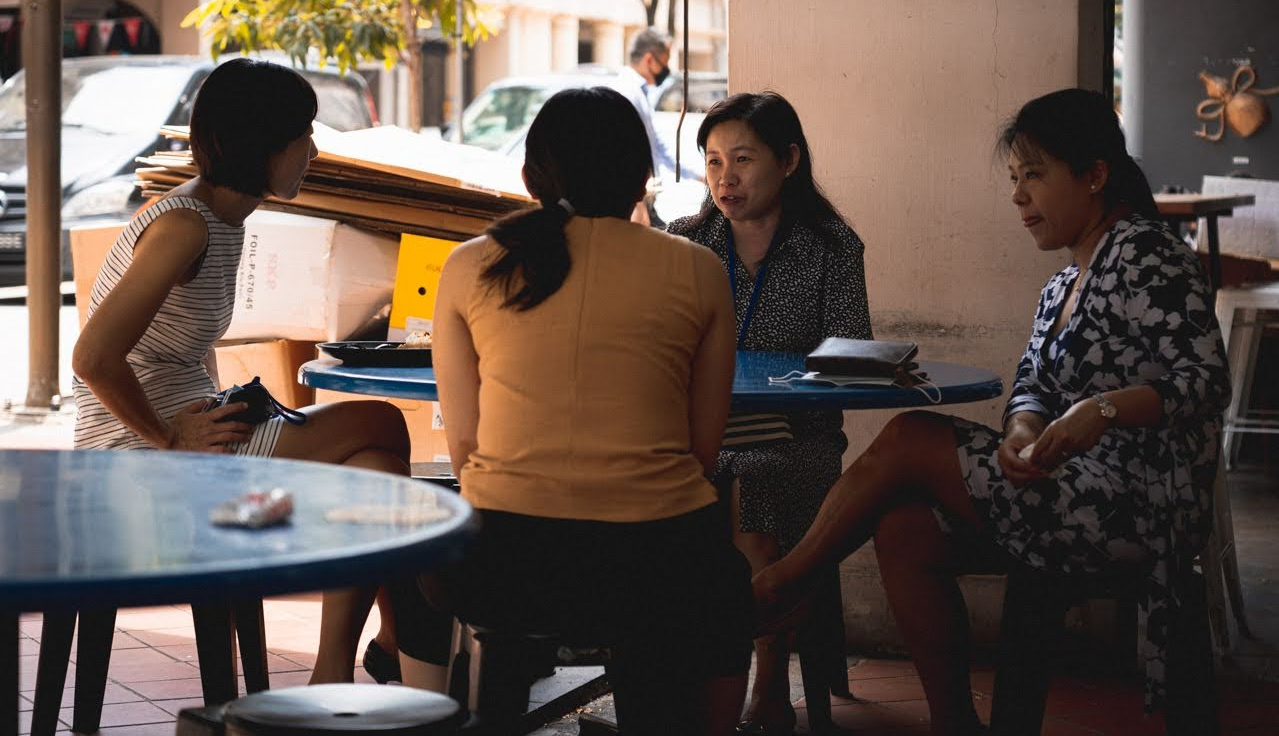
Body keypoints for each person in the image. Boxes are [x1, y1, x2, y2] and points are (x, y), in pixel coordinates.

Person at [752, 88, 1230, 735]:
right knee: (903, 527)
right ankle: (956, 723)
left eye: (1033, 175)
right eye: (1013, 178)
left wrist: (1101, 410)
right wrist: (1022, 432)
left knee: (908, 434)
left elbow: (1203, 381)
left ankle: (778, 585)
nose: (1017, 196)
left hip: (1137, 503)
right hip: (1062, 489)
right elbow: (1029, 387)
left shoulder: (1147, 252)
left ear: (1094, 174)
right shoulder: (1062, 283)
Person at [393, 86, 752, 735]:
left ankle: (427, 719)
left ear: (530, 177)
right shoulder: (699, 270)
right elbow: (702, 451)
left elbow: (466, 447)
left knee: (415, 534)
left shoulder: (471, 265)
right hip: (658, 569)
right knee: (724, 579)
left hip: (497, 567)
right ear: (641, 179)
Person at [71, 57, 411, 685]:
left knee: (377, 471)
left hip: (193, 427)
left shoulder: (223, 217)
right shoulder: (183, 225)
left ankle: (341, 666)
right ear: (263, 145)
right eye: (302, 133)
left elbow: (183, 344)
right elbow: (92, 357)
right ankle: (390, 643)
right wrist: (166, 437)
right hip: (134, 450)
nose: (312, 148)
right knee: (383, 420)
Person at [667, 90, 873, 735]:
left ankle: (765, 685)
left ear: (788, 160)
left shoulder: (831, 247)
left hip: (798, 436)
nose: (725, 179)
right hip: (703, 431)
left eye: (744, 161)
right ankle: (677, 671)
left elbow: (852, 356)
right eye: (713, 161)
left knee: (749, 478)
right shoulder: (685, 243)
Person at [616, 27, 679, 225]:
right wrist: (639, 199)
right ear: (650, 60)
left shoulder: (639, 92)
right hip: (637, 202)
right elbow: (623, 149)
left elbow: (656, 144)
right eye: (665, 63)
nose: (666, 70)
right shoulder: (627, 93)